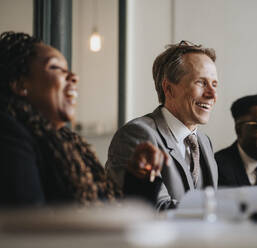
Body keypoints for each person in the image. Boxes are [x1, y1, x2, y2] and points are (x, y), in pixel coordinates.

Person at [0, 31, 166, 207]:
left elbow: (109, 212)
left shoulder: (69, 143)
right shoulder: (8, 134)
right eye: (56, 68)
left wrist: (138, 178)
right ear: (20, 84)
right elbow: (27, 223)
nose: (74, 77)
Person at [106, 41, 219, 210]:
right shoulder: (136, 134)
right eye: (201, 83)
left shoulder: (204, 141)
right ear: (168, 88)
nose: (212, 94)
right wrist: (227, 209)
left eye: (214, 84)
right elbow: (154, 208)